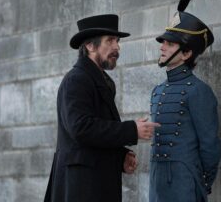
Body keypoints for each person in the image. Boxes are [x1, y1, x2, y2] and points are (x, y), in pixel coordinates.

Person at [44, 14, 160, 202]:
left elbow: (96, 133)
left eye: (117, 41)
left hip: (95, 184)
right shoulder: (76, 79)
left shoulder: (100, 80)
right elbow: (81, 128)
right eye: (110, 40)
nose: (117, 47)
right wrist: (131, 130)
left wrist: (120, 155)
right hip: (81, 188)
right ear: (90, 45)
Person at [149, 0, 221, 202]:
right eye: (163, 42)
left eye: (170, 44)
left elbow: (210, 145)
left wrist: (201, 183)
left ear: (187, 53)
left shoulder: (198, 91)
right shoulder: (157, 91)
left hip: (185, 184)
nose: (162, 47)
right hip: (157, 183)